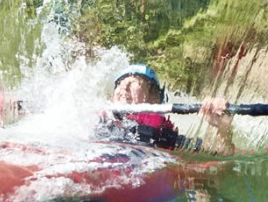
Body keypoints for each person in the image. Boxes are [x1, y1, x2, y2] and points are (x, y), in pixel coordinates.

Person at [100, 64, 235, 155]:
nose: (124, 86)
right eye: (120, 83)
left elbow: (220, 154)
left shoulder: (161, 134)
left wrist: (223, 129)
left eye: (134, 81)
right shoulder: (96, 119)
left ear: (153, 99)